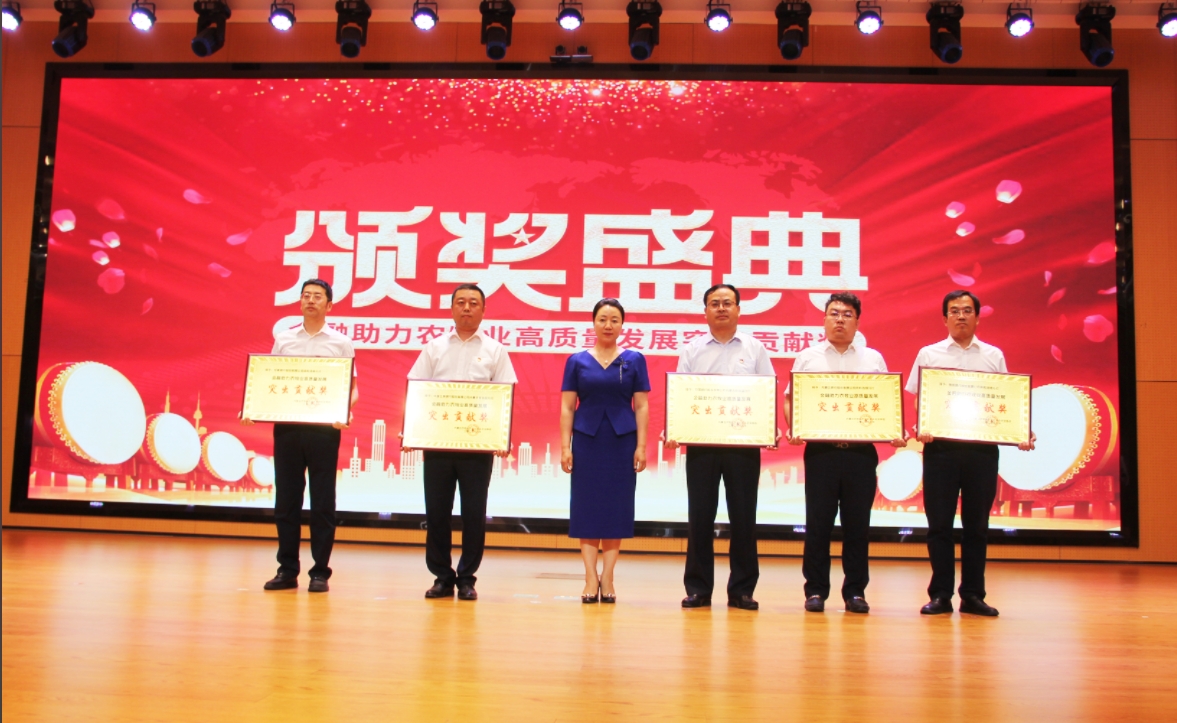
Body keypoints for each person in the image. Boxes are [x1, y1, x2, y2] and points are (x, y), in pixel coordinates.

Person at [907, 290, 1035, 617]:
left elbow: (1006, 401)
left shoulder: (993, 355)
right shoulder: (929, 354)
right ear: (944, 318)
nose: (961, 316)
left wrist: (1021, 430)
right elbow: (919, 399)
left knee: (977, 525)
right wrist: (922, 425)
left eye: (967, 310)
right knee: (939, 525)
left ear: (977, 317)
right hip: (941, 450)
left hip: (981, 452)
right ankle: (940, 595)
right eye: (954, 311)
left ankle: (973, 595)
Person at [784, 292, 906, 614]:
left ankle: (855, 592)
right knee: (818, 524)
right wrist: (795, 427)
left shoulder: (872, 359)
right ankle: (815, 591)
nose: (840, 319)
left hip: (860, 455)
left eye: (847, 314)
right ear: (824, 319)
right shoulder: (808, 357)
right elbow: (790, 399)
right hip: (821, 454)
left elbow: (886, 404)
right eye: (834, 313)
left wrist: (894, 429)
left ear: (857, 321)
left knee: (857, 526)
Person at [666, 284, 778, 611]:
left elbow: (767, 393)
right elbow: (680, 396)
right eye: (714, 303)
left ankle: (742, 590)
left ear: (739, 309)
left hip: (743, 446)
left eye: (727, 303)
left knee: (744, 517)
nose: (721, 308)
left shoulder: (755, 348)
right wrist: (674, 428)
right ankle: (698, 588)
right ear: (705, 311)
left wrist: (769, 429)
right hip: (702, 445)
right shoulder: (692, 350)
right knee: (700, 517)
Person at [245, 278, 358, 594]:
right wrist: (253, 407)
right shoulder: (284, 339)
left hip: (324, 431)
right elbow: (269, 382)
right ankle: (287, 570)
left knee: (322, 503)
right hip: (288, 429)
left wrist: (344, 412)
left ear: (329, 305)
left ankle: (320, 572)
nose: (310, 300)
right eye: (306, 295)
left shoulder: (341, 342)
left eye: (317, 296)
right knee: (286, 502)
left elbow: (352, 389)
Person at [404, 284, 516, 602]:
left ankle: (467, 577)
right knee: (437, 512)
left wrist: (502, 436)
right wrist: (410, 430)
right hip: (437, 443)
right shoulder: (434, 347)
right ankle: (441, 576)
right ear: (452, 308)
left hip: (477, 446)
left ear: (483, 310)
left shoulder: (495, 350)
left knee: (474, 513)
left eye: (473, 303)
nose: (467, 308)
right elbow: (415, 389)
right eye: (461, 302)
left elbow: (506, 395)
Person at [559, 299, 650, 604]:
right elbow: (567, 407)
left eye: (614, 320)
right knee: (587, 508)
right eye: (602, 319)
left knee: (615, 508)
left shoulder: (634, 359)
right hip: (587, 441)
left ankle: (608, 577)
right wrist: (565, 446)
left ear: (622, 325)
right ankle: (589, 577)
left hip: (622, 442)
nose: (608, 325)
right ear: (593, 323)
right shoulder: (577, 361)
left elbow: (642, 406)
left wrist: (641, 446)